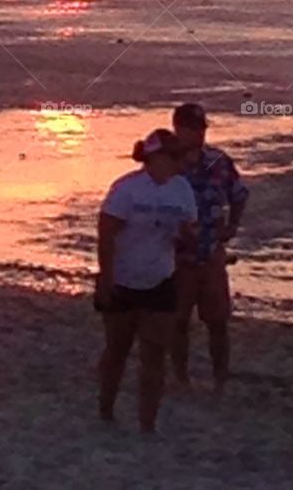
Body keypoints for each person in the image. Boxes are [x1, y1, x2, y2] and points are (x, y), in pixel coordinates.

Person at [96, 129, 197, 432]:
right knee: (118, 349)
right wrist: (106, 278)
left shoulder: (182, 189)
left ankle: (147, 423)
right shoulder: (127, 189)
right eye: (175, 156)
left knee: (154, 353)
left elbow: (188, 233)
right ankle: (106, 410)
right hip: (124, 279)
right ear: (157, 158)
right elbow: (107, 235)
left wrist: (187, 237)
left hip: (160, 279)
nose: (182, 162)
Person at [171, 102, 249, 393]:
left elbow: (240, 194)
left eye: (201, 128)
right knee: (178, 320)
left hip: (212, 252)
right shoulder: (169, 166)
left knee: (218, 320)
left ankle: (220, 380)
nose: (198, 134)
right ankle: (180, 377)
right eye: (192, 129)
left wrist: (233, 226)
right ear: (178, 129)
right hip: (177, 255)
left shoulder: (219, 161)